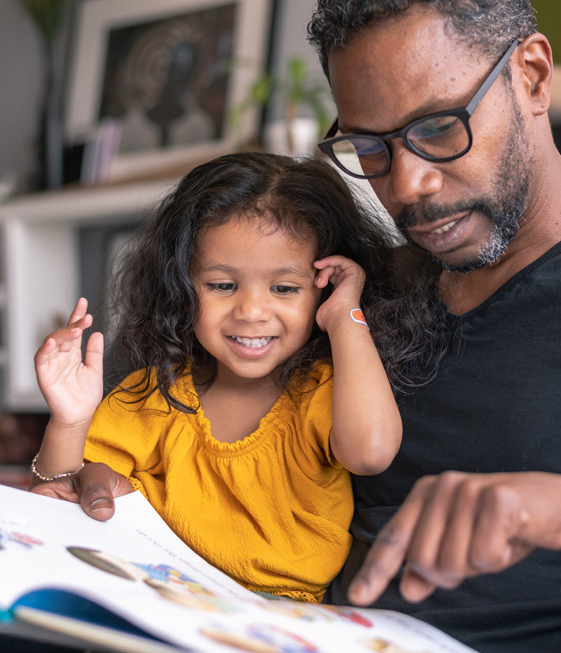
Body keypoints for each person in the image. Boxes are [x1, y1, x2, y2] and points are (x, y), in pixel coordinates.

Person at [304, 0, 561, 651]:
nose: (407, 186)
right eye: (371, 147)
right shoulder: (363, 289)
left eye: (436, 127)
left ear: (533, 75)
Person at [30, 152, 447, 604]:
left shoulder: (323, 390)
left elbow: (370, 453)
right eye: (222, 285)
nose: (251, 312)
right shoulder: (154, 394)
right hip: (158, 596)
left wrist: (347, 315)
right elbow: (55, 496)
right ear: (182, 287)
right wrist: (70, 421)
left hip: (281, 617)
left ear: (323, 288)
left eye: (285, 289)